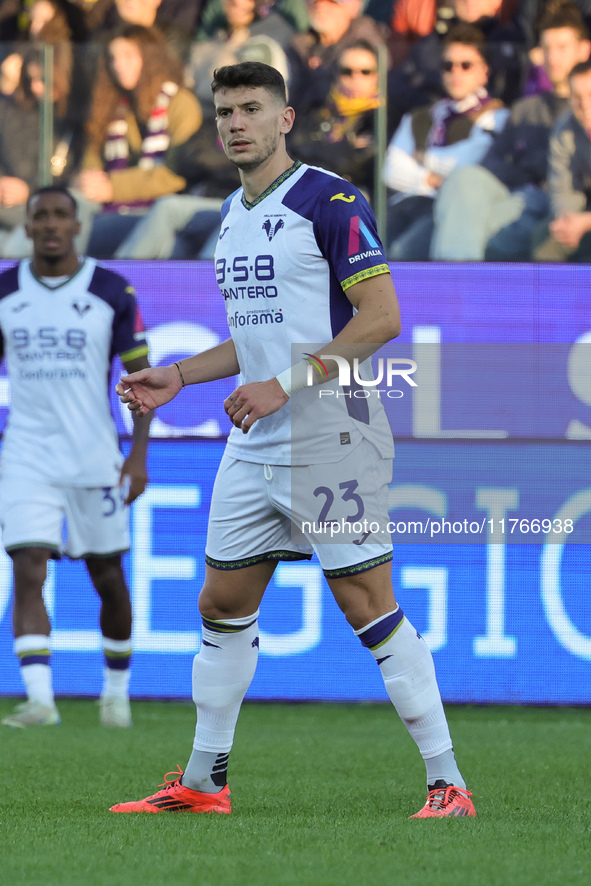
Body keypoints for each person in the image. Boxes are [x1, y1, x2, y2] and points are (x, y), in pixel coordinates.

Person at [110, 61, 476, 819]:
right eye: (222, 112)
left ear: (285, 118)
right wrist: (179, 374)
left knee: (366, 605)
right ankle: (206, 784)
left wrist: (287, 383)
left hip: (330, 432)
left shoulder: (329, 199)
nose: (234, 123)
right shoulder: (231, 214)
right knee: (221, 601)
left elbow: (379, 318)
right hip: (256, 440)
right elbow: (253, 343)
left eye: (249, 109)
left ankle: (449, 785)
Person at [0, 185, 151, 728]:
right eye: (41, 217)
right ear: (28, 225)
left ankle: (116, 694)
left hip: (95, 455)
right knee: (28, 566)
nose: (50, 226)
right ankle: (41, 700)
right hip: (26, 453)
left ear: (78, 224)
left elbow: (139, 381)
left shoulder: (111, 290)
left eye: (61, 216)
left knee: (107, 576)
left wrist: (137, 458)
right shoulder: (4, 290)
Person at [430, 0, 590, 260]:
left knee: (458, 223)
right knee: (464, 180)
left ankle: (454, 291)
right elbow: (492, 164)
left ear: (584, 50)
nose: (553, 57)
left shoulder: (582, 111)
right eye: (547, 48)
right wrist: (523, 171)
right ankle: (458, 288)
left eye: (562, 48)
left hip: (555, 206)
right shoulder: (525, 109)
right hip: (515, 195)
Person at [75, 23, 202, 258]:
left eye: (128, 56)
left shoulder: (182, 105)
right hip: (108, 211)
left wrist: (113, 187)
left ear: (151, 57)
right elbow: (91, 159)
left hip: (157, 214)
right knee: (69, 208)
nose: (118, 65)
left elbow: (177, 174)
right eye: (113, 58)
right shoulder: (111, 106)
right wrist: (89, 181)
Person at [383, 23, 509, 260]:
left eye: (466, 65)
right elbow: (390, 170)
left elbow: (466, 164)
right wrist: (429, 179)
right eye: (448, 65)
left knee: (401, 254)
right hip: (405, 204)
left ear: (484, 71)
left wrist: (420, 158)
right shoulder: (422, 115)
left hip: (447, 210)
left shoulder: (495, 115)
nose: (455, 73)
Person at [532, 56, 591, 258]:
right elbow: (562, 186)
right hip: (584, 210)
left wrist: (586, 222)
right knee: (545, 239)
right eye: (577, 96)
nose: (584, 104)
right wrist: (568, 220)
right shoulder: (564, 129)